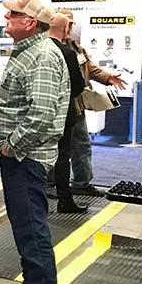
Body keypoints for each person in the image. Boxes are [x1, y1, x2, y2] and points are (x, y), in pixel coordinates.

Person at [0, 0, 69, 284]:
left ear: (30, 23)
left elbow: (42, 113)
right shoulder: (28, 52)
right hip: (22, 155)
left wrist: (11, 146)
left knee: (31, 226)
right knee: (25, 224)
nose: (6, 19)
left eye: (13, 15)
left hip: (26, 156)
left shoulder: (42, 55)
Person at [56, 9, 128, 196]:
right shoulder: (49, 48)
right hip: (55, 107)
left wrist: (109, 77)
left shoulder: (76, 47)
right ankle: (51, 184)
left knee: (81, 144)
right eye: (66, 23)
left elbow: (89, 67)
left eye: (71, 23)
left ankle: (81, 182)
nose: (69, 27)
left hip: (75, 106)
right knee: (55, 147)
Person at [48, 14, 90, 213]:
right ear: (65, 28)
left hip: (39, 114)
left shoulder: (36, 49)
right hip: (63, 114)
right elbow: (77, 85)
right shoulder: (66, 52)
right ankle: (64, 199)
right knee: (63, 155)